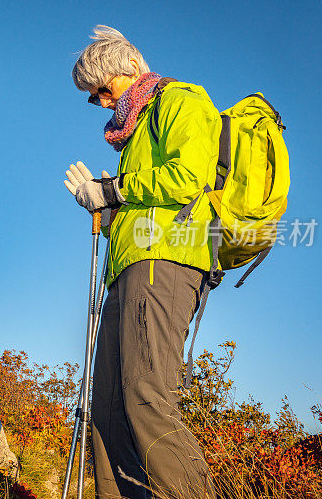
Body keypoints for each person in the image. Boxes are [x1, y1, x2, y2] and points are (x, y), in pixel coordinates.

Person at [64, 26, 219, 498]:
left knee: (146, 397)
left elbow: (188, 176)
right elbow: (146, 202)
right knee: (108, 407)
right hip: (130, 268)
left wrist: (111, 189)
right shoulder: (134, 133)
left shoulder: (182, 100)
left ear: (129, 70)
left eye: (104, 91)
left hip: (166, 261)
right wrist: (109, 213)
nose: (104, 103)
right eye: (94, 99)